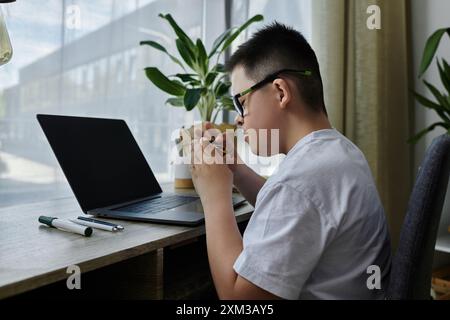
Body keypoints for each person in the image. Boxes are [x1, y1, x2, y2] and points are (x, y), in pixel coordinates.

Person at [189, 22, 391, 300]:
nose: (238, 118)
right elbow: (292, 210)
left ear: (281, 92)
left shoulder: (300, 181)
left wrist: (214, 196)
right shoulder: (340, 153)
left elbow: (238, 300)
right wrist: (236, 169)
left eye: (241, 103)